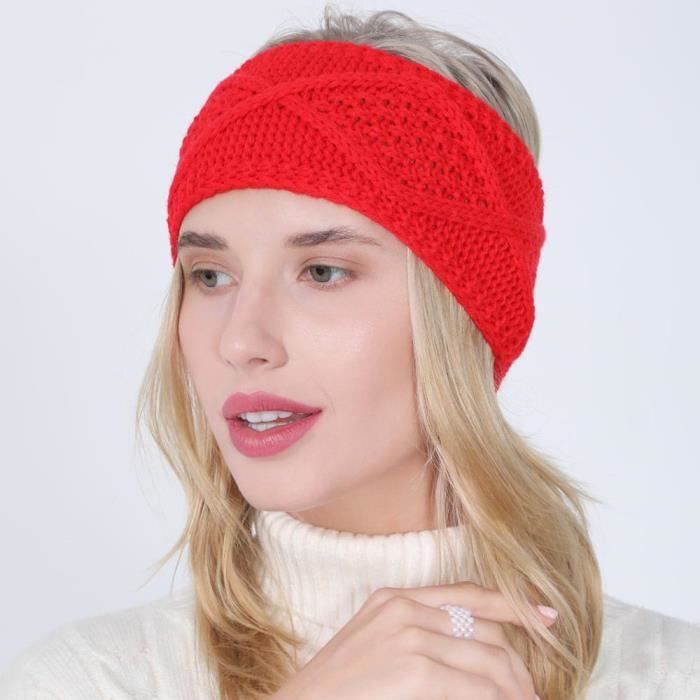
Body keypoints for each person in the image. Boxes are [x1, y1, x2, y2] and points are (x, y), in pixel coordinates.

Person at [2, 4, 699, 700]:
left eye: (323, 272)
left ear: (463, 314)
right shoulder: (87, 682)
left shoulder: (668, 677)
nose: (241, 341)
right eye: (210, 276)